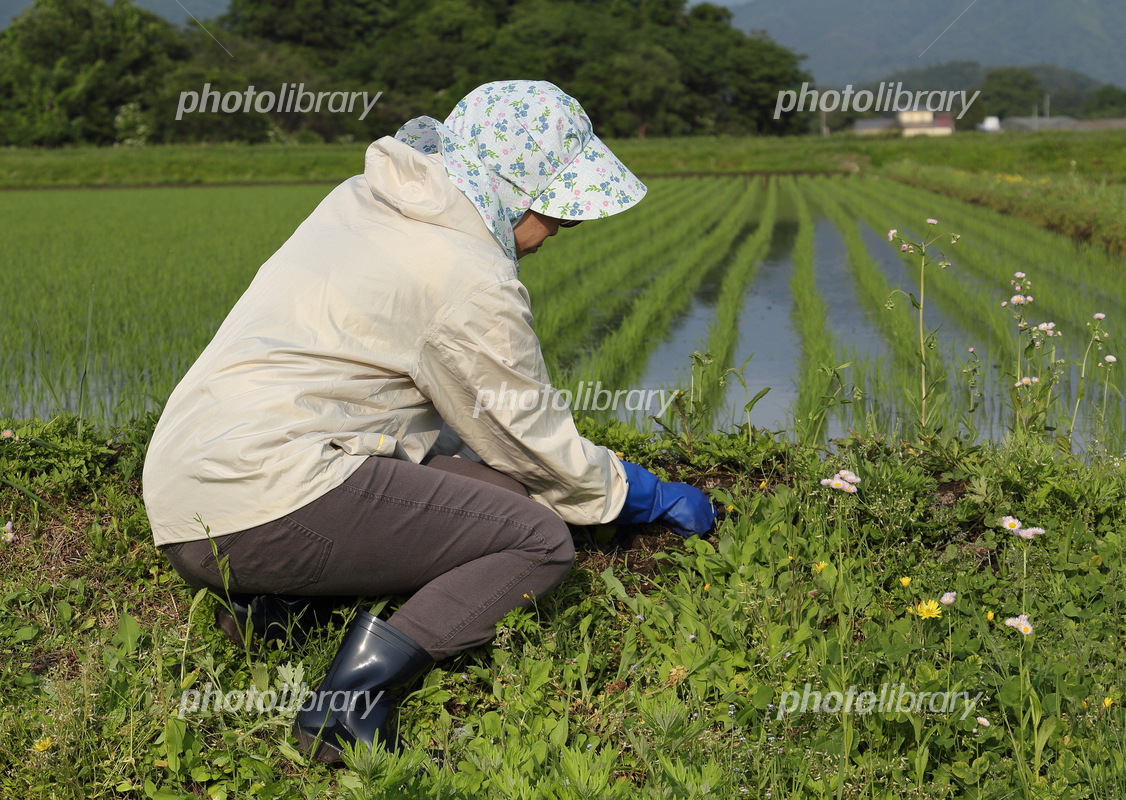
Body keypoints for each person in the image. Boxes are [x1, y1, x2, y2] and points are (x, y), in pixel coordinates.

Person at [141, 80, 715, 764]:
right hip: (265, 503)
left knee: (500, 499)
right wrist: (633, 494)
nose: (561, 229)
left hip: (195, 492)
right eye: (558, 210)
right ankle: (346, 709)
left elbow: (452, 419)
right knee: (539, 539)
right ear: (515, 188)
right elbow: (524, 432)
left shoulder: (367, 201)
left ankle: (280, 612)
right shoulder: (465, 270)